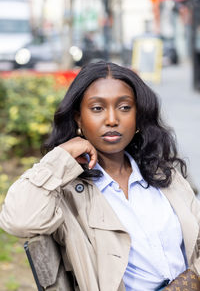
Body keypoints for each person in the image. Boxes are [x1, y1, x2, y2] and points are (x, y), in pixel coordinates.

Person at [0, 61, 199, 291]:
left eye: (125, 107)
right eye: (97, 108)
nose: (112, 119)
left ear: (138, 117)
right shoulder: (66, 191)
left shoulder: (163, 174)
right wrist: (60, 158)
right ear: (78, 118)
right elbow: (18, 221)